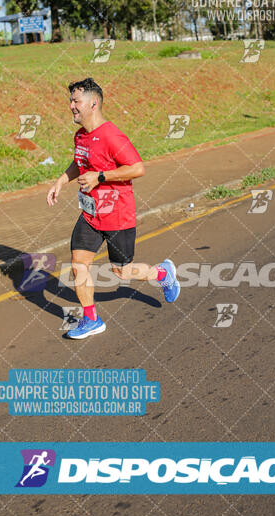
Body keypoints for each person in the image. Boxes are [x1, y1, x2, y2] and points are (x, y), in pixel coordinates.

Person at [47, 78, 180, 339]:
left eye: (76, 101)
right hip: (90, 213)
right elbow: (80, 162)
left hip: (118, 215)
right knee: (78, 264)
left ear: (93, 103)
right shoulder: (81, 136)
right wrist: (61, 181)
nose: (71, 106)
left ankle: (162, 273)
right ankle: (91, 319)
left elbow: (137, 168)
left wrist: (100, 177)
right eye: (71, 101)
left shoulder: (110, 135)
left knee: (121, 272)